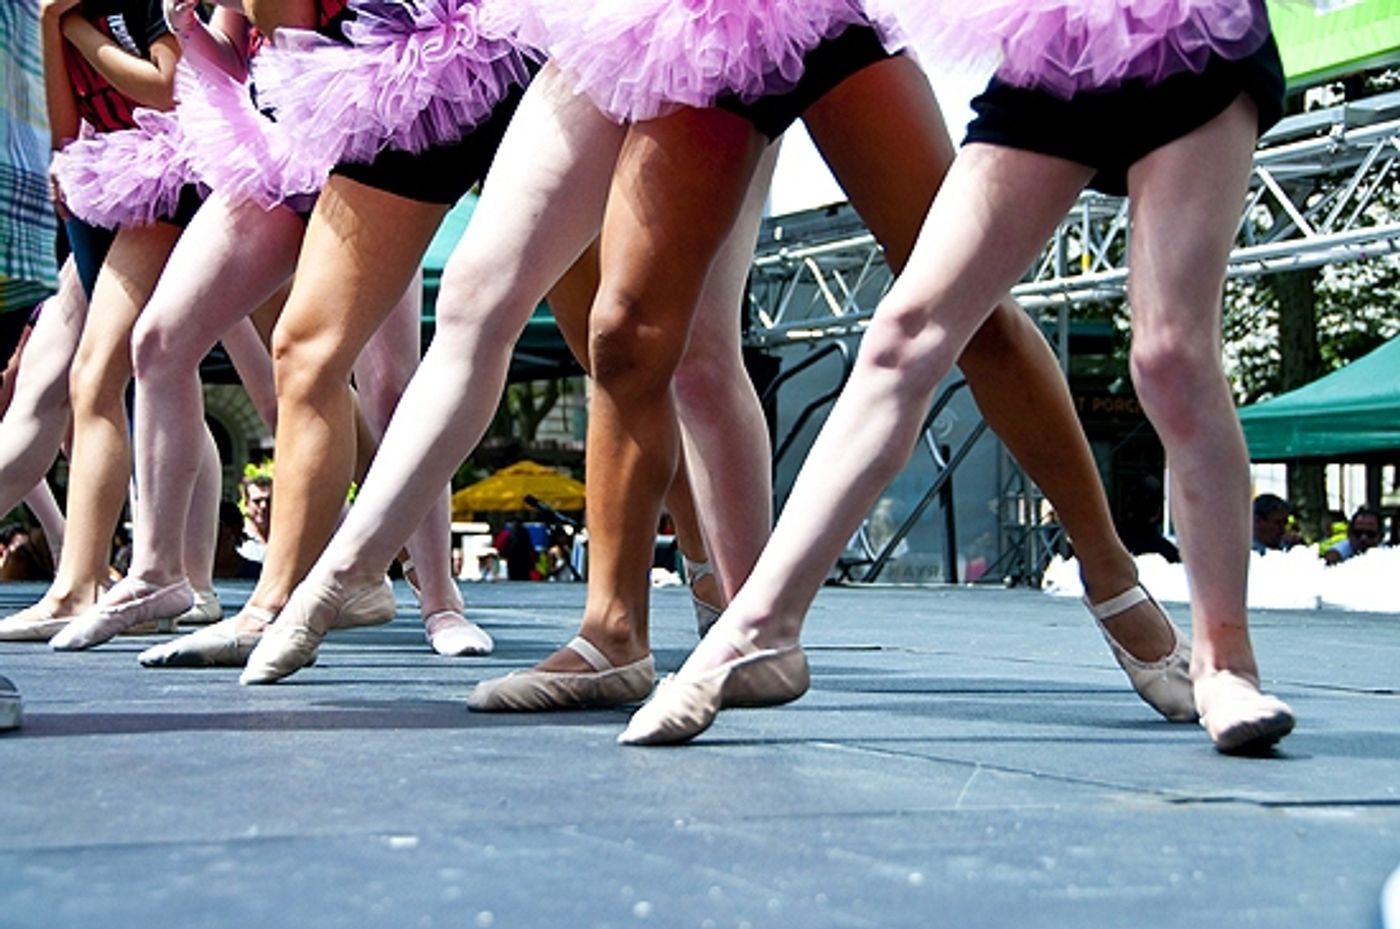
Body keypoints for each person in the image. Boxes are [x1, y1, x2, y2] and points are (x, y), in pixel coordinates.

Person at [623, 0, 1295, 754]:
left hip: (1190, 32)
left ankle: (1224, 661)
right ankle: (756, 626)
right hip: (1058, 43)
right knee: (904, 335)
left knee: (1169, 355)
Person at [238, 473, 273, 563]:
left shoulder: (283, 538)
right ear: (246, 503)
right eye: (257, 501)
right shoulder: (238, 540)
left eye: (268, 500)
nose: (263, 506)